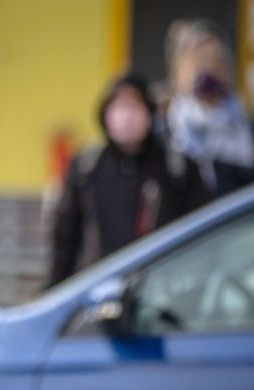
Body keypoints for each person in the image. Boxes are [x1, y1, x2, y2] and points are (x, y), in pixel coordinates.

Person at [50, 73, 208, 287]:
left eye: (134, 106)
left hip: (162, 290)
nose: (126, 116)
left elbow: (200, 230)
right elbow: (65, 236)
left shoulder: (176, 166)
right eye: (118, 106)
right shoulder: (87, 167)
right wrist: (55, 287)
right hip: (97, 289)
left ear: (148, 112)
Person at [165, 19, 254, 196]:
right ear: (179, 73)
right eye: (199, 62)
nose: (208, 70)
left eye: (216, 62)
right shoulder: (167, 131)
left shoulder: (247, 129)